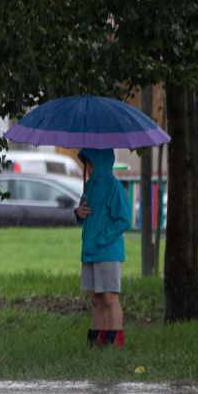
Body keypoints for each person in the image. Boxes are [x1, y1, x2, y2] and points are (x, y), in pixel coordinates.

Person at [73, 148, 131, 348]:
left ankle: (115, 341)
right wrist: (79, 213)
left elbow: (123, 220)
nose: (88, 168)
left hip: (107, 251)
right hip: (89, 251)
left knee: (109, 297)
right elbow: (86, 216)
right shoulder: (89, 187)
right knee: (96, 298)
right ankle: (98, 340)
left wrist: (102, 239)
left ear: (102, 163)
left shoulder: (114, 187)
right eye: (86, 164)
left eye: (91, 163)